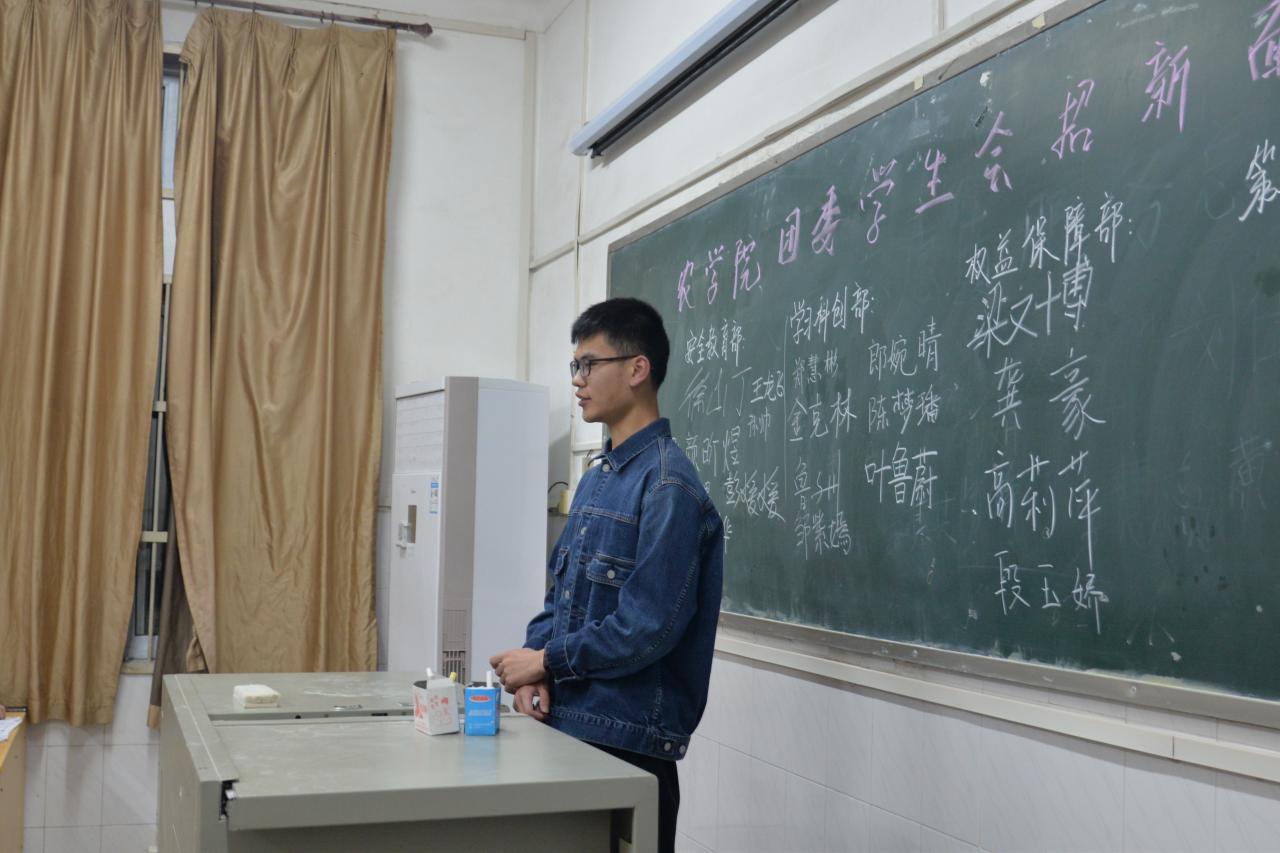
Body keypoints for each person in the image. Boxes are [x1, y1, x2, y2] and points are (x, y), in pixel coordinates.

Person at [490, 297, 724, 853]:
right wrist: (535, 673)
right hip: (569, 726)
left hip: (626, 745)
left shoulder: (669, 487)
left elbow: (647, 628)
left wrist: (545, 661)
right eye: (576, 365)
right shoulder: (598, 478)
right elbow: (561, 595)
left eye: (589, 364)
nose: (578, 380)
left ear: (638, 369)